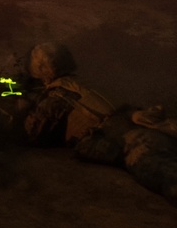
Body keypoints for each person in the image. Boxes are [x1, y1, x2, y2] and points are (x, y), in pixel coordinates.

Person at [10, 42, 177, 205]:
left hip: (132, 140)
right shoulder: (85, 83)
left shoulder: (58, 96)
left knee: (166, 177)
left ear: (41, 71)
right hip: (146, 130)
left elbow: (32, 134)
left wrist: (21, 109)